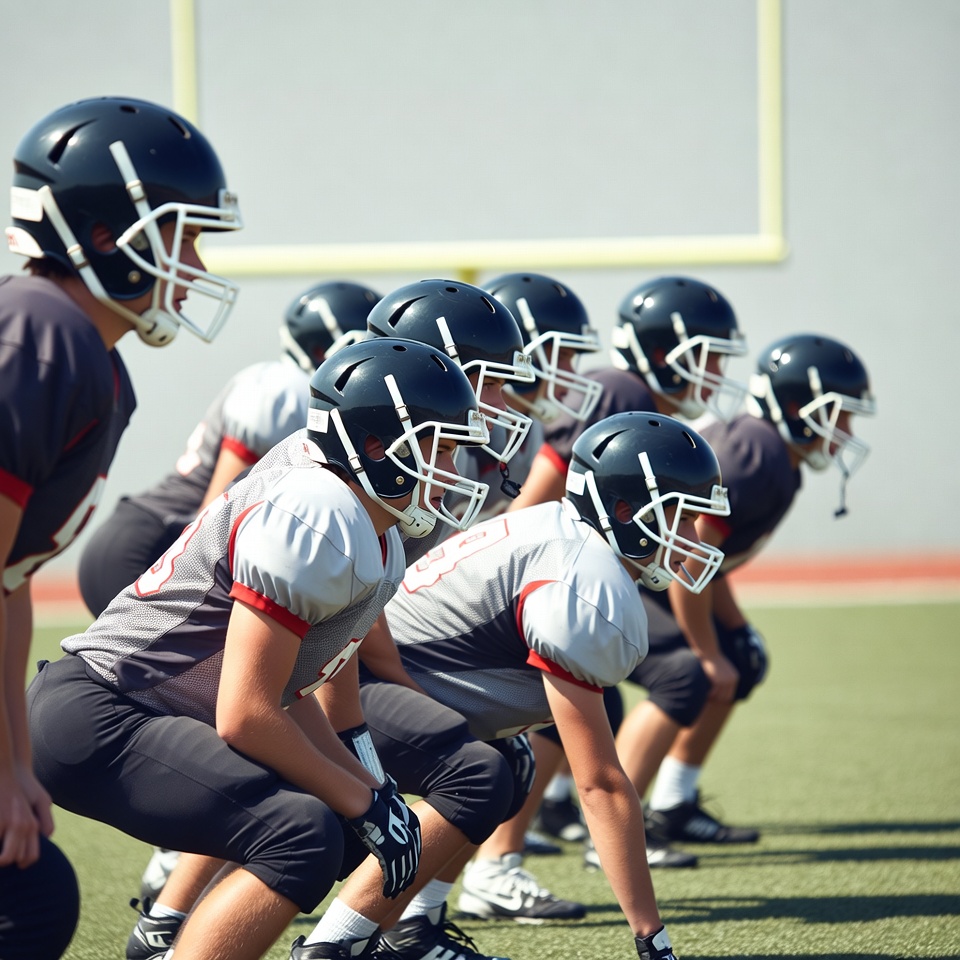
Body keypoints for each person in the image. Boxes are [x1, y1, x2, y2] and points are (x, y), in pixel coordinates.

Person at [27, 337, 493, 960]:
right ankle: (168, 931)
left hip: (125, 710)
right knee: (300, 831)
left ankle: (170, 936)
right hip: (100, 712)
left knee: (333, 823)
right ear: (377, 446)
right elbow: (245, 714)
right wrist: (363, 799)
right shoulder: (319, 510)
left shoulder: (350, 509)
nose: (452, 464)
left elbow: (288, 686)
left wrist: (367, 792)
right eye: (437, 444)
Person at [296, 411, 732, 960]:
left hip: (362, 674)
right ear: (626, 511)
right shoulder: (586, 580)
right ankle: (334, 945)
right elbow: (600, 785)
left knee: (513, 758)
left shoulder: (561, 529)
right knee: (484, 776)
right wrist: (652, 938)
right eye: (680, 517)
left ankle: (414, 928)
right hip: (346, 690)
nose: (693, 538)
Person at [0, 94, 241, 958]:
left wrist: (15, 763)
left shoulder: (90, 359)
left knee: (29, 901)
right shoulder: (41, 334)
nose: (195, 262)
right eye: (183, 234)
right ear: (106, 235)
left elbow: (9, 581)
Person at [474, 275, 750, 885]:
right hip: (528, 574)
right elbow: (551, 487)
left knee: (592, 688)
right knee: (601, 684)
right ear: (663, 353)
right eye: (707, 353)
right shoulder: (619, 391)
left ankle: (529, 833)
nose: (577, 369)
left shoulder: (622, 401)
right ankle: (504, 860)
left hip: (545, 568)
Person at [614, 333, 875, 859]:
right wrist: (709, 654)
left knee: (741, 658)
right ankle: (614, 831)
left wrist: (733, 633)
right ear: (801, 407)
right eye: (839, 414)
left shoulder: (772, 451)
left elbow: (712, 563)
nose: (846, 431)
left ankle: (673, 803)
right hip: (628, 574)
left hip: (656, 575)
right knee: (686, 676)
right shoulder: (756, 453)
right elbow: (689, 554)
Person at [78, 279, 381, 619]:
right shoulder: (282, 388)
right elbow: (214, 513)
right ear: (320, 351)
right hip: (156, 545)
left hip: (162, 541)